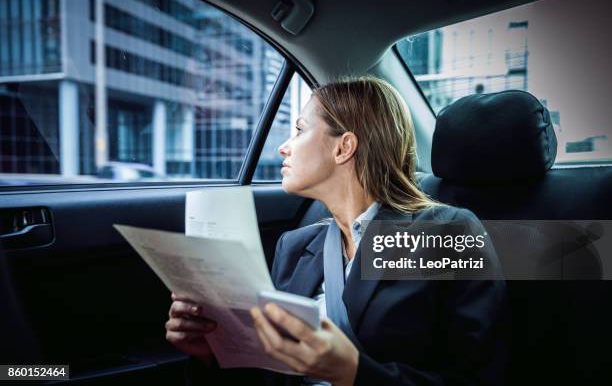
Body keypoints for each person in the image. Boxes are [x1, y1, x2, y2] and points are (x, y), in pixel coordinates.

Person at [166, 77, 508, 385]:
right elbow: (268, 375)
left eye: (299, 129)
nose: (283, 147)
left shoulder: (449, 233)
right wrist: (210, 354)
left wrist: (354, 373)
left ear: (344, 147)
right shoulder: (295, 247)